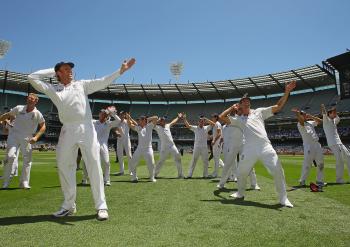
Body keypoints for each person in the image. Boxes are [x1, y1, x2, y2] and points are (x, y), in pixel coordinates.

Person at [28, 58, 135, 220]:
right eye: (65, 69)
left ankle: (101, 206)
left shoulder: (81, 84)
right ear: (58, 73)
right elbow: (32, 78)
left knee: (93, 164)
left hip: (86, 128)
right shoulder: (53, 89)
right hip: (67, 129)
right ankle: (68, 206)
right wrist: (54, 70)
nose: (70, 71)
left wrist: (120, 71)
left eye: (70, 69)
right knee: (64, 166)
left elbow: (102, 81)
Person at [229, 81, 296, 208]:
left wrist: (286, 91)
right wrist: (232, 109)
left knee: (278, 170)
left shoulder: (259, 111)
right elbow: (222, 117)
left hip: (265, 146)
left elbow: (278, 106)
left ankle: (283, 199)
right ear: (240, 106)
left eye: (247, 100)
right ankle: (240, 193)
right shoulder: (239, 119)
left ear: (250, 103)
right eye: (243, 101)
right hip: (249, 148)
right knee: (241, 172)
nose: (246, 101)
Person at [0, 93, 46, 189]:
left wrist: (36, 137)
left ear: (36, 101)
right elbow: (8, 115)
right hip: (14, 135)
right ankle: (6, 182)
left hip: (27, 137)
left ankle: (24, 182)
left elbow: (43, 126)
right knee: (10, 156)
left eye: (32, 98)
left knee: (27, 160)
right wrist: (1, 119)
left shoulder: (38, 114)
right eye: (28, 98)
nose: (29, 99)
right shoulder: (19, 108)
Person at [217, 107, 259, 190]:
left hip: (243, 144)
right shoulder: (232, 119)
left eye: (241, 109)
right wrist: (231, 107)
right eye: (239, 109)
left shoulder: (245, 119)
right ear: (236, 111)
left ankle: (254, 184)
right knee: (228, 165)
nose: (241, 110)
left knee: (249, 163)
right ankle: (221, 184)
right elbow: (221, 116)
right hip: (233, 145)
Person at [292, 108, 325, 187]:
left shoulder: (310, 122)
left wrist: (311, 116)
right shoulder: (300, 124)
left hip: (317, 144)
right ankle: (302, 181)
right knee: (307, 164)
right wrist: (298, 114)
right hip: (309, 145)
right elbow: (301, 121)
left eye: (305, 114)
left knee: (320, 163)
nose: (305, 115)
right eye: (303, 114)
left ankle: (319, 181)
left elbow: (321, 122)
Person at [321, 104, 350, 183]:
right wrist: (324, 108)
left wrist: (334, 110)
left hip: (339, 143)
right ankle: (339, 179)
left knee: (348, 156)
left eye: (335, 113)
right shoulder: (326, 120)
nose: (334, 114)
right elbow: (324, 113)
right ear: (329, 114)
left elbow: (337, 117)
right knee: (339, 160)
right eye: (333, 113)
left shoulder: (334, 120)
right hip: (334, 143)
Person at [92, 106, 121, 186]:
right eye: (102, 113)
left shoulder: (108, 124)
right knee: (92, 163)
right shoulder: (94, 122)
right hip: (94, 145)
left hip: (104, 145)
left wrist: (112, 113)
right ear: (99, 114)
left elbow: (118, 121)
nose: (103, 114)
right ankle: (90, 179)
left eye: (104, 113)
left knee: (106, 162)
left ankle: (107, 180)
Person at [126, 114, 158, 182]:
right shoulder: (138, 128)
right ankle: (134, 177)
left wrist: (147, 119)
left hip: (148, 148)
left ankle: (152, 177)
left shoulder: (149, 126)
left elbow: (156, 118)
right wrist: (128, 118)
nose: (138, 121)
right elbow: (130, 125)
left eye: (140, 120)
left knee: (151, 163)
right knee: (133, 162)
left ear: (144, 120)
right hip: (140, 148)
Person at [154, 113, 184, 178]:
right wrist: (158, 120)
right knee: (161, 161)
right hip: (164, 147)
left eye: (164, 120)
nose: (164, 121)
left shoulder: (167, 125)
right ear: (160, 121)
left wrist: (178, 117)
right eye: (162, 120)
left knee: (178, 159)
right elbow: (151, 124)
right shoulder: (157, 127)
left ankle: (180, 174)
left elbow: (173, 122)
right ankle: (154, 174)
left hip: (172, 146)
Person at [115, 111, 132, 175]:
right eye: (121, 114)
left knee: (129, 155)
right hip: (119, 140)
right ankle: (121, 171)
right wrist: (117, 132)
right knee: (120, 155)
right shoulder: (117, 122)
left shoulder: (127, 121)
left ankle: (131, 171)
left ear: (124, 115)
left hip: (126, 139)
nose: (121, 115)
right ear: (119, 115)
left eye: (123, 114)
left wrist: (129, 117)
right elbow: (116, 129)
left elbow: (131, 124)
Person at [208, 113, 224, 177]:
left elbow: (219, 134)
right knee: (216, 158)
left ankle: (215, 174)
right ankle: (229, 173)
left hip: (217, 143)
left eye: (213, 117)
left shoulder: (217, 124)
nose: (212, 118)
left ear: (216, 118)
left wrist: (214, 140)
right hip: (217, 143)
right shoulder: (216, 124)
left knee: (216, 159)